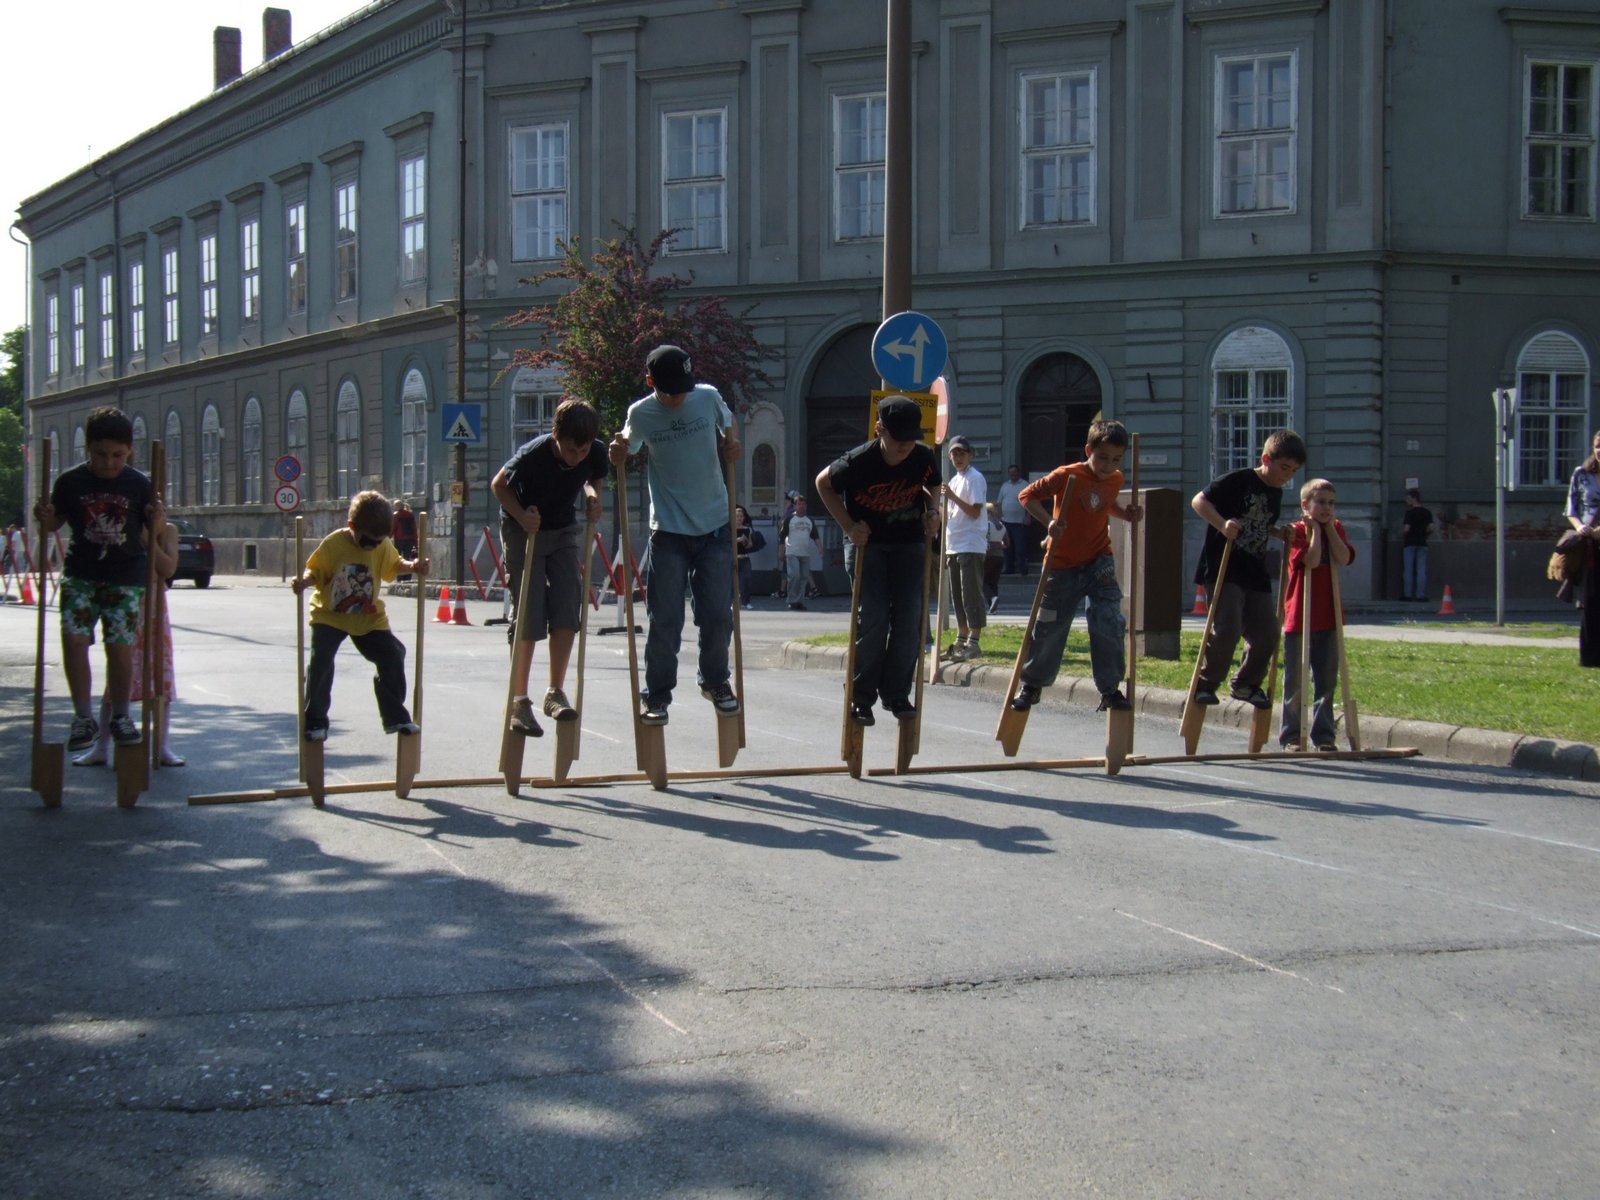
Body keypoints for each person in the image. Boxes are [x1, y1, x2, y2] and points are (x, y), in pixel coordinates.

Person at [609, 344, 742, 726]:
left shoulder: (707, 397)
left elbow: (728, 423)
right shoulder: (641, 413)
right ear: (651, 382)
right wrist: (619, 452)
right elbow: (627, 444)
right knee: (665, 619)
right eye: (670, 392)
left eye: (683, 388)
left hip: (714, 525)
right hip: (668, 531)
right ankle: (657, 695)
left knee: (717, 615)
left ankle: (715, 681)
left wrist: (731, 442)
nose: (678, 397)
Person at [33, 406, 160, 751]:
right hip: (81, 574)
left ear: (129, 450)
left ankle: (121, 716)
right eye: (101, 454)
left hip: (125, 576)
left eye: (118, 455)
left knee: (119, 646)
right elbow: (52, 524)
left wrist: (157, 517)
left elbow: (155, 530)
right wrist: (42, 515)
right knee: (74, 639)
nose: (109, 463)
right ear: (88, 448)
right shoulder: (71, 482)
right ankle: (82, 718)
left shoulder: (138, 484)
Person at [815, 394, 938, 726]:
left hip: (908, 543)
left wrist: (933, 512)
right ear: (879, 429)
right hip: (867, 545)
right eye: (898, 439)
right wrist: (848, 526)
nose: (905, 446)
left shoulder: (923, 456)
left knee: (910, 619)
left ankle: (896, 693)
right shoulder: (858, 461)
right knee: (873, 618)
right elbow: (823, 484)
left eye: (911, 438)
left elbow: (932, 485)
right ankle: (861, 696)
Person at [1008, 419, 1143, 714]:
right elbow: (1026, 496)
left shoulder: (1116, 479)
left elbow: (1104, 504)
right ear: (1088, 450)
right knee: (1050, 627)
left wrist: (1126, 513)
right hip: (1061, 564)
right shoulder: (1067, 475)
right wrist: (1049, 523)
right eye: (1102, 457)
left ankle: (1110, 689)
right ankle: (1032, 685)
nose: (1108, 465)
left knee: (1109, 621)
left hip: (1099, 561)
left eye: (1116, 459)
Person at [492, 397, 608, 735]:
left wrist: (593, 497)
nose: (578, 457)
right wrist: (521, 515)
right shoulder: (534, 454)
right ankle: (519, 700)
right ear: (556, 435)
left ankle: (554, 692)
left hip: (562, 528)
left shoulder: (594, 451)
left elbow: (594, 476)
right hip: (523, 529)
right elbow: (499, 485)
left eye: (583, 450)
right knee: (529, 611)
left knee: (568, 605)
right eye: (571, 450)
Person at [292, 491, 429, 741]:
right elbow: (316, 572)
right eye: (367, 541)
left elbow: (394, 565)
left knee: (393, 654)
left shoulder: (381, 546)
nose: (372, 546)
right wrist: (304, 581)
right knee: (321, 660)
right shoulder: (334, 544)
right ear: (352, 526)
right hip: (330, 615)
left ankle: (395, 717)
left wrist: (413, 566)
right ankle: (315, 721)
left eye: (378, 541)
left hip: (367, 616)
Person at [1190, 429, 1307, 708]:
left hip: (1254, 569)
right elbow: (1198, 501)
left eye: (1293, 471)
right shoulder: (1238, 479)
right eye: (1284, 468)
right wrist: (1222, 524)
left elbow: (1260, 523)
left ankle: (1245, 684)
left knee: (1268, 633)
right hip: (1224, 565)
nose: (1287, 476)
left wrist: (1278, 532)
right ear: (1266, 459)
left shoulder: (1276, 493)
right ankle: (1206, 684)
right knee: (1227, 628)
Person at [74, 520, 186, 767]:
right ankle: (102, 747)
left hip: (154, 606)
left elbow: (168, 569)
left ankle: (162, 746)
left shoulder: (168, 530)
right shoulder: (124, 525)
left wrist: (148, 538)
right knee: (118, 674)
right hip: (124, 600)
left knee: (161, 675)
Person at [1280, 478, 1355, 749]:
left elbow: (1343, 558)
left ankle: (1323, 735)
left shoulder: (1336, 527)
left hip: (1328, 614)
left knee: (1326, 681)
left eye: (1331, 503)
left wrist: (1329, 530)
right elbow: (1311, 561)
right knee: (1295, 682)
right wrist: (1314, 533)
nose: (1327, 508)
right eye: (1321, 502)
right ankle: (1292, 735)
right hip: (1299, 615)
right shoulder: (1296, 531)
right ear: (1305, 505)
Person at [941, 435, 989, 660]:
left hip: (970, 543)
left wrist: (952, 497)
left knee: (971, 594)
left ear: (970, 455)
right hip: (954, 544)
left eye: (962, 453)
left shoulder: (974, 478)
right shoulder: (954, 481)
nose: (958, 457)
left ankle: (974, 641)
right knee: (957, 597)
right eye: (954, 453)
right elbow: (949, 513)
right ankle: (961, 637)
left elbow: (974, 511)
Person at [1567, 429, 1600, 668]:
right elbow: (1571, 508)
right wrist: (1579, 527)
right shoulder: (1582, 474)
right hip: (1589, 547)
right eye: (1598, 446)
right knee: (1590, 601)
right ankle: (1589, 658)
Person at [780, 494, 821, 610]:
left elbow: (815, 535)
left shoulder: (809, 520)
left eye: (803, 504)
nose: (801, 506)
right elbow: (782, 536)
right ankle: (791, 600)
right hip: (792, 552)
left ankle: (799, 602)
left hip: (805, 553)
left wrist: (820, 548)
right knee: (794, 575)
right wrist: (781, 551)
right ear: (794, 506)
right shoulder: (789, 519)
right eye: (799, 504)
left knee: (804, 578)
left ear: (806, 506)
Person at [997, 463, 1030, 576]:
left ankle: (1023, 569)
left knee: (1020, 548)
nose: (1012, 474)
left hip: (1019, 522)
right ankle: (1009, 568)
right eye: (1010, 472)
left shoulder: (1025, 485)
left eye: (1014, 472)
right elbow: (999, 502)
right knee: (1007, 547)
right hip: (1005, 522)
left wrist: (1028, 516)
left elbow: (1030, 502)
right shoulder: (1005, 486)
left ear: (1018, 473)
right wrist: (1000, 517)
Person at [1400, 487, 1433, 602]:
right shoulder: (1427, 512)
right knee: (1421, 570)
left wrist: (1403, 535)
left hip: (1410, 543)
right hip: (1422, 542)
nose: (1407, 501)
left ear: (1414, 498)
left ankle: (1407, 595)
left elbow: (1406, 529)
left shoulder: (1409, 513)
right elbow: (1431, 528)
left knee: (1408, 570)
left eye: (1408, 498)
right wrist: (1424, 534)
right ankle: (1420, 595)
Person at [734, 504, 764, 610]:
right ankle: (733, 603)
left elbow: (750, 544)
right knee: (733, 582)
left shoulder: (747, 529)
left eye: (741, 516)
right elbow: (727, 542)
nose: (739, 518)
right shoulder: (730, 529)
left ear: (744, 518)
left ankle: (746, 602)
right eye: (737, 516)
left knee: (745, 581)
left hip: (745, 558)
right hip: (733, 558)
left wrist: (746, 541)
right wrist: (738, 540)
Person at [983, 501, 1007, 615]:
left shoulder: (986, 524)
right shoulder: (1002, 525)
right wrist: (999, 544)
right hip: (1000, 557)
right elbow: (1007, 543)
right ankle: (993, 608)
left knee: (982, 581)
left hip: (988, 556)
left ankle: (993, 598)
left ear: (988, 513)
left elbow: (985, 539)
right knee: (993, 583)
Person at [391, 498, 418, 581]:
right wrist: (415, 540)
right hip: (410, 539)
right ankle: (407, 577)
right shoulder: (410, 514)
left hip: (399, 539)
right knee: (408, 558)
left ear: (397, 506)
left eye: (394, 506)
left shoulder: (396, 515)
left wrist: (389, 536)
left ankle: (400, 577)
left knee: (397, 558)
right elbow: (414, 527)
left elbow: (393, 527)